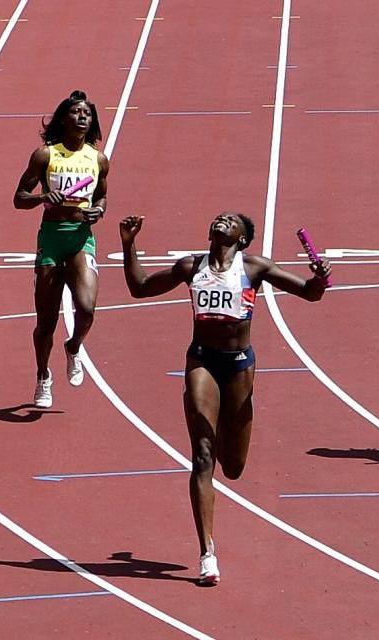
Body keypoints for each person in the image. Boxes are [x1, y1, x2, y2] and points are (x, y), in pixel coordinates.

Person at [119, 212, 331, 586]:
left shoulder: (255, 267)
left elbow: (310, 293)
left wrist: (321, 276)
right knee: (203, 453)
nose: (223, 219)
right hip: (201, 360)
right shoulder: (190, 266)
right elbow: (139, 287)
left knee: (232, 466)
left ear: (243, 238)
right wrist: (128, 243)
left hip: (238, 367)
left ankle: (224, 464)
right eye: (218, 217)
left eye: (232, 220)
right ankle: (207, 553)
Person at [14, 90, 109, 408]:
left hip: (81, 237)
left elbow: (101, 197)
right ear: (64, 119)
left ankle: (73, 346)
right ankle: (43, 375)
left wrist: (99, 210)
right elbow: (18, 198)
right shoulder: (45, 155)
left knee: (87, 309)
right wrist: (42, 198)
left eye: (88, 113)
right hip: (52, 238)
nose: (84, 117)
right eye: (77, 112)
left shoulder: (97, 159)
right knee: (46, 322)